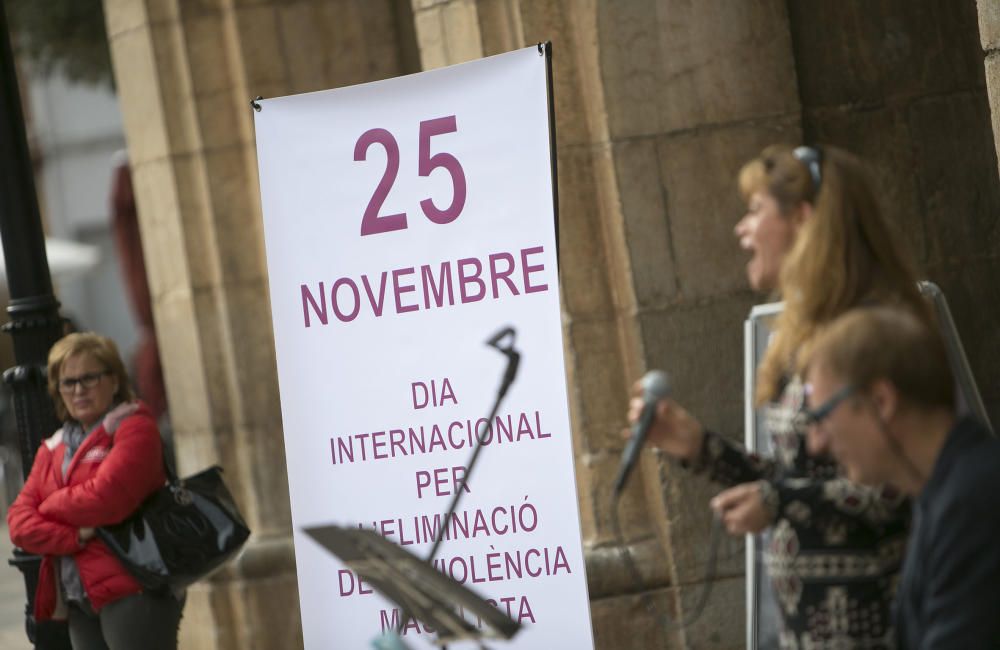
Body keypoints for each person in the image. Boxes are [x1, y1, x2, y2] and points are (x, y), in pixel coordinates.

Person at [627, 144, 930, 648]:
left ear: (802, 219)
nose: (740, 229)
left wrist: (779, 498)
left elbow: (896, 488)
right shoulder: (803, 335)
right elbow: (798, 486)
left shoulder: (871, 332)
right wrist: (697, 445)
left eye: (755, 211)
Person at [801, 306, 1000, 648]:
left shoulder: (975, 499)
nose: (815, 442)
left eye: (823, 415)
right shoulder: (943, 489)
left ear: (880, 401)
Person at [7, 332, 182, 649]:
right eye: (68, 382)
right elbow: (19, 524)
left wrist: (47, 506)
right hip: (77, 594)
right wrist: (75, 536)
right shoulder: (53, 447)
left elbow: (106, 499)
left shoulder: (134, 427)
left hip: (134, 584)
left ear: (114, 381)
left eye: (89, 378)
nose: (78, 390)